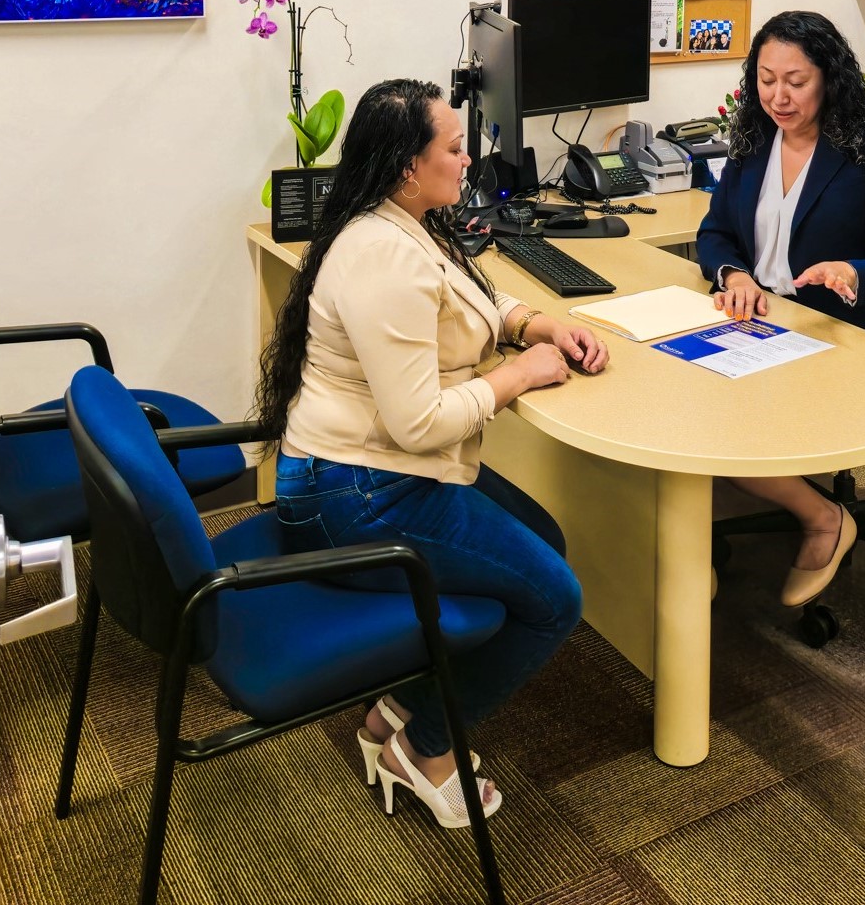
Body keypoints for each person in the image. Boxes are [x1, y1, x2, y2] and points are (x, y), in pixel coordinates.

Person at [255, 77, 609, 829]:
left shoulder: (408, 221)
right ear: (408, 166)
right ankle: (423, 745)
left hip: (373, 472)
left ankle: (399, 704)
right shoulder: (383, 258)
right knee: (556, 599)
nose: (469, 155)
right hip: (351, 493)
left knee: (544, 539)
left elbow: (468, 301)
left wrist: (536, 326)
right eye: (454, 147)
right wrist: (514, 378)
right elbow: (418, 424)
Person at [695, 10, 865, 609]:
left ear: (830, 78)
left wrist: (852, 272)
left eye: (795, 80)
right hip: (762, 321)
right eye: (766, 79)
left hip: (840, 332)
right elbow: (714, 233)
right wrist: (734, 273)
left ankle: (824, 518)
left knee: (720, 432)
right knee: (674, 396)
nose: (778, 96)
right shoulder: (753, 141)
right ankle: (679, 546)